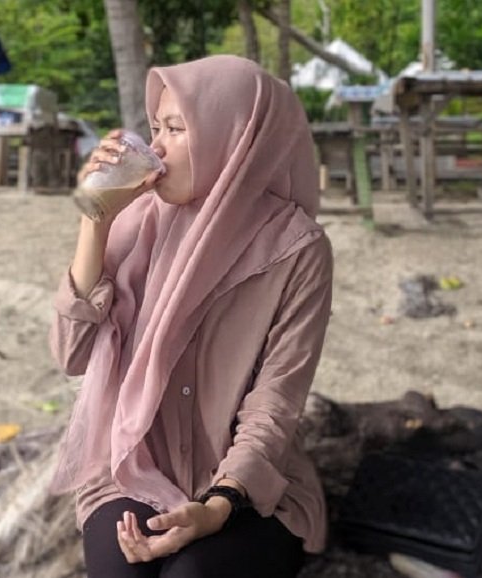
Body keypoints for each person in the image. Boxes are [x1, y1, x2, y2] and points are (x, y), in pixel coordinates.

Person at [48, 55, 333, 578]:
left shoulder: (297, 249)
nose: (155, 147)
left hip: (247, 483)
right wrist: (95, 222)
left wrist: (221, 502)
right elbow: (73, 355)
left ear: (235, 138)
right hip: (132, 465)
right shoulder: (134, 223)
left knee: (192, 573)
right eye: (155, 127)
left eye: (176, 129)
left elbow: (275, 401)